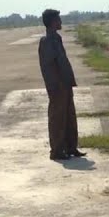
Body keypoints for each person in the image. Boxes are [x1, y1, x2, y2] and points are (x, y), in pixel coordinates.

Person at [37, 9, 85, 160]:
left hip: (65, 84)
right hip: (57, 86)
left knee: (69, 116)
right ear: (52, 22)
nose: (61, 22)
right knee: (58, 118)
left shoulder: (57, 39)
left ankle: (71, 147)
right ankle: (57, 151)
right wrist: (54, 86)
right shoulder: (46, 42)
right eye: (58, 20)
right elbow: (48, 67)